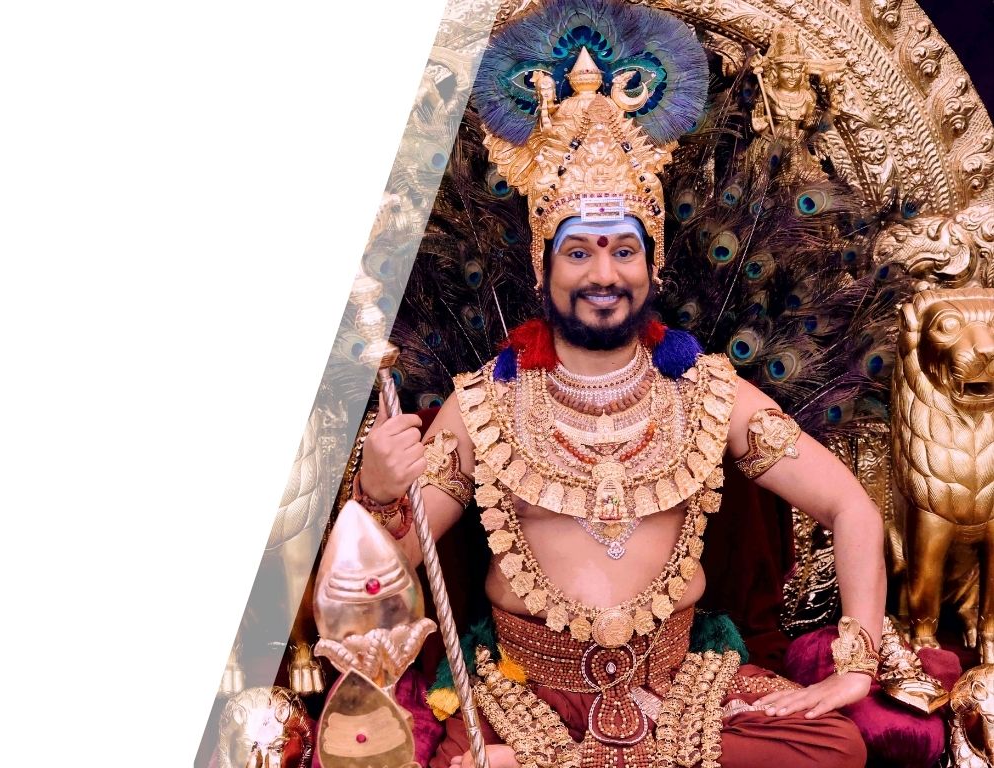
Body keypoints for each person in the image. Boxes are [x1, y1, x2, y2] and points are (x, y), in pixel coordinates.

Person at [349, 3, 883, 766]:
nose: (604, 273)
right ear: (543, 271)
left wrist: (856, 665)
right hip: (526, 696)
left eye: (623, 251)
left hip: (681, 688)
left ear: (652, 266)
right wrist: (376, 495)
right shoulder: (484, 406)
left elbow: (850, 507)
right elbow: (393, 567)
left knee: (835, 748)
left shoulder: (711, 395)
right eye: (580, 253)